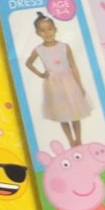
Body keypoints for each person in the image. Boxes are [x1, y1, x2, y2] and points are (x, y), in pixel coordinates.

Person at [25, 13, 92, 146]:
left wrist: (80, 85)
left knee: (75, 113)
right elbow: (28, 63)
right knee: (62, 115)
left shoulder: (64, 46)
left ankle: (78, 139)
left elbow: (73, 67)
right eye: (42, 30)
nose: (47, 33)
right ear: (37, 33)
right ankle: (70, 141)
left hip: (69, 83)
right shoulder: (39, 49)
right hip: (53, 85)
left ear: (55, 29)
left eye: (49, 29)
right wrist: (40, 74)